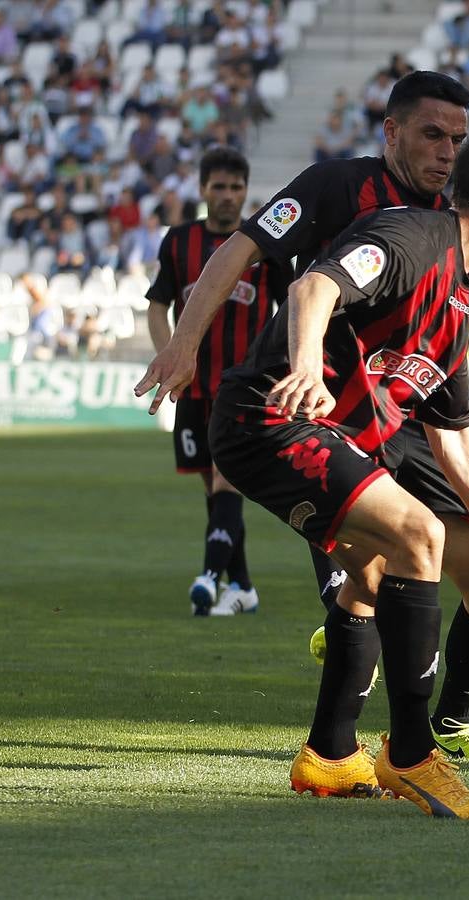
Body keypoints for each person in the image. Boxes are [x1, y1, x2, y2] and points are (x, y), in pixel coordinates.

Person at [134, 71, 469, 763]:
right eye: (432, 135)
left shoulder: (464, 214)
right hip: (312, 404)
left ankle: (434, 725)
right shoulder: (339, 189)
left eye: (457, 139)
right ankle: (383, 737)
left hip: (404, 407)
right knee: (387, 559)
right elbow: (244, 250)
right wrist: (187, 341)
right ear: (392, 132)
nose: (445, 151)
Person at [201, 122, 469, 820]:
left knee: (369, 575)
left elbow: (453, 435)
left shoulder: (459, 295)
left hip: (311, 429)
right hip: (268, 417)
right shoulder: (412, 237)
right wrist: (304, 366)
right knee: (418, 534)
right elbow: (313, 287)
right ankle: (412, 753)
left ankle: (329, 757)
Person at [146, 147, 288, 616]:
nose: (228, 196)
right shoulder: (179, 242)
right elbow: (156, 305)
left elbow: (293, 307)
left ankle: (208, 578)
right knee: (213, 489)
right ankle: (242, 585)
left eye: (236, 187)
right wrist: (171, 356)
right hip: (194, 388)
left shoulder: (266, 244)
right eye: (219, 187)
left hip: (244, 389)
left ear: (246, 191)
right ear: (203, 189)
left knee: (228, 483)